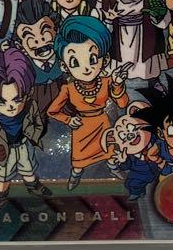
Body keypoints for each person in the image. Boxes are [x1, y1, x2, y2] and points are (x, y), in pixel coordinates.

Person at [46, 16, 131, 190]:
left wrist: (117, 84)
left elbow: (123, 104)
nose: (86, 68)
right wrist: (69, 120)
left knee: (110, 152)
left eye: (92, 59)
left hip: (103, 124)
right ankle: (75, 176)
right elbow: (52, 111)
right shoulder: (69, 89)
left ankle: (113, 169)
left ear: (104, 59)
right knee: (79, 161)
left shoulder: (107, 82)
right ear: (64, 66)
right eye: (75, 62)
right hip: (82, 128)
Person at [0, 48, 51, 209]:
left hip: (24, 144)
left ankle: (33, 186)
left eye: (17, 99)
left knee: (29, 168)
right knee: (2, 176)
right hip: (3, 150)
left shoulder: (30, 106)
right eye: (1, 101)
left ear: (28, 91)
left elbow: (38, 122)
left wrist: (35, 135)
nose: (11, 107)